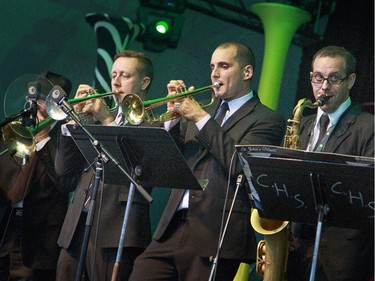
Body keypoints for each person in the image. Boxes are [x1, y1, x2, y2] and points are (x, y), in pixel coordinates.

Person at [128, 41, 286, 281]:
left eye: (224, 66)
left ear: (247, 72)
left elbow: (242, 166)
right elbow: (164, 162)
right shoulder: (202, 113)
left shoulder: (266, 119)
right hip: (172, 227)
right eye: (212, 66)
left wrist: (200, 117)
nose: (214, 73)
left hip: (216, 231)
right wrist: (172, 118)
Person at [54, 49, 154, 281]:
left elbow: (133, 171)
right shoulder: (99, 118)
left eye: (125, 76)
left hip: (116, 229)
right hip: (78, 224)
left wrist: (106, 121)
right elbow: (63, 170)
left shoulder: (153, 123)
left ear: (144, 82)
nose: (116, 82)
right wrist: (73, 121)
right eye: (114, 75)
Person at [286, 45, 374, 281]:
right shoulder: (301, 125)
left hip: (342, 256)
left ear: (351, 80)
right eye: (318, 78)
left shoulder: (369, 127)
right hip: (294, 249)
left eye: (334, 78)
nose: (323, 87)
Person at [0, 71, 72, 281]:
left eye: (45, 101)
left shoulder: (65, 139)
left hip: (38, 240)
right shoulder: (11, 130)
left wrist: (43, 138)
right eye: (35, 99)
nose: (38, 106)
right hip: (6, 228)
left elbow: (65, 182)